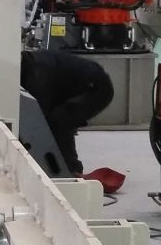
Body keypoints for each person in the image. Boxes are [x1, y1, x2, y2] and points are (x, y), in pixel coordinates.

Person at [20, 48, 113, 178]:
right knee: (57, 119)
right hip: (78, 87)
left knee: (59, 121)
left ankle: (71, 170)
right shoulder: (29, 65)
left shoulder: (37, 74)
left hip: (97, 88)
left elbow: (39, 121)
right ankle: (62, 167)